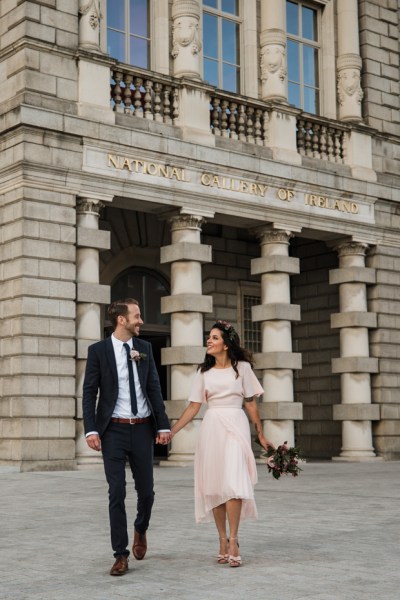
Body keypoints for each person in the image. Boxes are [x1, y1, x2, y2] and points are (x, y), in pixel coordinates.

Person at [170, 320, 274, 567]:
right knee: (216, 486)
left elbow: (250, 403)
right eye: (209, 337)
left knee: (235, 482)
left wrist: (260, 434)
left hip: (235, 425)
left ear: (226, 345)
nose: (209, 341)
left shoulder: (243, 369)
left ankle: (235, 539)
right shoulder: (203, 373)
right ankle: (221, 540)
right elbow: (194, 406)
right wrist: (172, 432)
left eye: (214, 338)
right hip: (212, 427)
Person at [82, 298, 170, 576]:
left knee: (147, 492)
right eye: (137, 315)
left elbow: (154, 388)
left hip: (143, 428)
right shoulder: (98, 351)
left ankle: (140, 528)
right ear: (122, 319)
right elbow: (89, 392)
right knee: (116, 491)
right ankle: (120, 554)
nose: (141, 320)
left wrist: (163, 426)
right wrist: (91, 428)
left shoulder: (144, 348)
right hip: (114, 431)